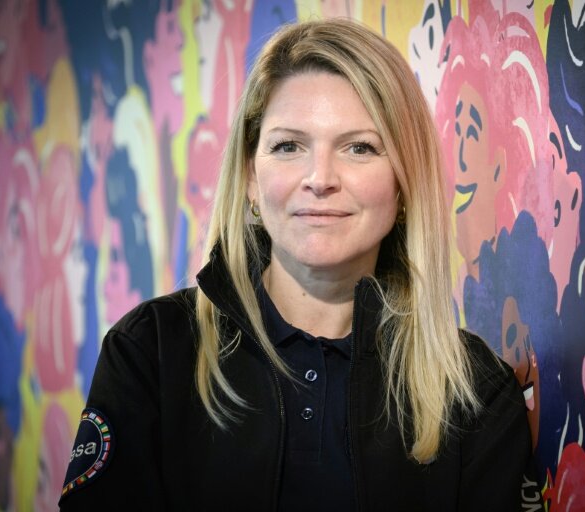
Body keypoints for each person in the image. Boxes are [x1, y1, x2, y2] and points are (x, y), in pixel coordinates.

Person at [59, 18, 533, 511]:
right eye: (289, 146)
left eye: (360, 147)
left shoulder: (475, 391)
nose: (320, 178)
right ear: (249, 177)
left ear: (403, 183)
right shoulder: (151, 352)